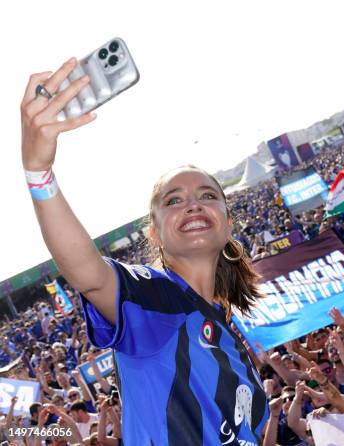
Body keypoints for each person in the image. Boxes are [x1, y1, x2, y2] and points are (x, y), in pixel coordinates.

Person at [20, 59, 268, 445]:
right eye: (174, 200)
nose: (193, 205)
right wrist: (39, 172)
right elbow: (88, 272)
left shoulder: (229, 336)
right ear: (156, 233)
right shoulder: (155, 302)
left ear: (227, 221)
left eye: (207, 196)